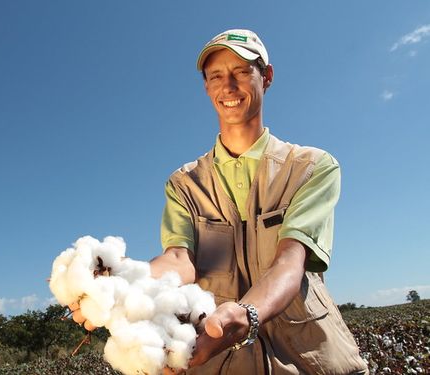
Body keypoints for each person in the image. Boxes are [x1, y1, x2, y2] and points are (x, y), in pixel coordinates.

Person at [148, 29, 369, 374]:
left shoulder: (310, 167)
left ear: (266, 77)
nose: (228, 86)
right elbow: (179, 259)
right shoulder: (183, 184)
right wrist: (126, 282)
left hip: (309, 357)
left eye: (241, 72)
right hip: (218, 359)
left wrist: (245, 314)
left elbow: (289, 263)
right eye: (216, 76)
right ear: (206, 87)